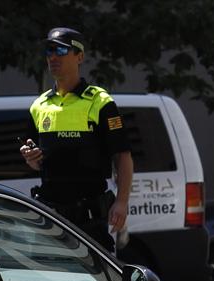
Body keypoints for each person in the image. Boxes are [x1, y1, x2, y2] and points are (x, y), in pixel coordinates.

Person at [20, 27, 133, 254]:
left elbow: (123, 155)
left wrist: (121, 201)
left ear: (79, 57)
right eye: (49, 50)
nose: (53, 57)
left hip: (90, 218)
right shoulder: (39, 105)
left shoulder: (100, 103)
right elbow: (34, 159)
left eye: (61, 50)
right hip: (51, 218)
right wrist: (30, 158)